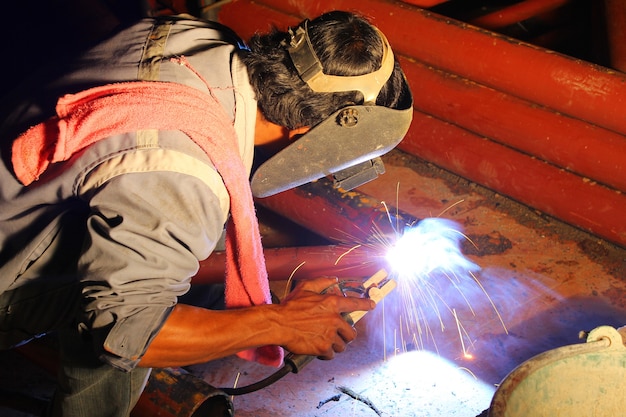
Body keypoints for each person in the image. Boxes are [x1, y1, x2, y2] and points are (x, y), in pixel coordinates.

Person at [0, 8, 412, 417]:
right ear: (306, 133)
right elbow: (127, 334)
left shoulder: (201, 39)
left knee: (198, 229)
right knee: (129, 316)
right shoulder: (187, 174)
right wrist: (280, 323)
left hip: (28, 198)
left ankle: (204, 308)